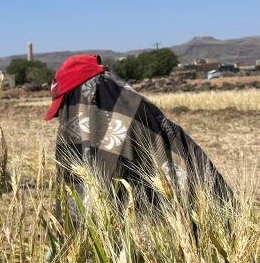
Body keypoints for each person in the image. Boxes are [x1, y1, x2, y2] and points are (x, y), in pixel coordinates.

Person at [44, 54, 229, 207]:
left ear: (84, 100)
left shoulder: (107, 137)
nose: (65, 121)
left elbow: (88, 208)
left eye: (67, 109)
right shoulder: (144, 113)